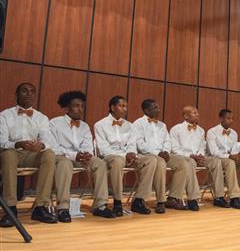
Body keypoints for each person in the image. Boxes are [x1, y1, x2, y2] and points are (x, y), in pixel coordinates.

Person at [50, 91, 115, 222]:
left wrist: (86, 155)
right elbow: (53, 148)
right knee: (65, 163)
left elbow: (87, 146)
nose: (80, 109)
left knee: (99, 163)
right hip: (62, 157)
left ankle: (100, 205)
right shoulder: (54, 123)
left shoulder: (84, 126)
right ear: (67, 108)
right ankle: (63, 207)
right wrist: (75, 155)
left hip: (80, 158)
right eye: (76, 106)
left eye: (82, 106)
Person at [0, 83, 57, 227]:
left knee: (49, 154)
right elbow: (2, 142)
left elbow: (47, 140)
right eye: (24, 91)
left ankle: (40, 207)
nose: (29, 94)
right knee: (8, 155)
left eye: (32, 91)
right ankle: (10, 208)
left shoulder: (41, 117)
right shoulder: (5, 115)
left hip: (32, 155)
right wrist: (17, 144)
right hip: (13, 153)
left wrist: (41, 145)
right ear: (17, 94)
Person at [95, 96, 157, 216]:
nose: (125, 109)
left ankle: (139, 200)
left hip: (127, 156)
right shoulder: (100, 125)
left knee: (151, 160)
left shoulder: (130, 126)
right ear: (113, 108)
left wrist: (131, 153)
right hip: (110, 156)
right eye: (121, 106)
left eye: (126, 106)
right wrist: (125, 155)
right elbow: (103, 149)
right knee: (117, 161)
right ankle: (117, 202)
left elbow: (132, 144)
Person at [131, 99, 196, 213]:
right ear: (146, 110)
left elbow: (167, 141)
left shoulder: (162, 125)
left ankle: (173, 198)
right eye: (155, 107)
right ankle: (161, 200)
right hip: (146, 155)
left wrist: (165, 151)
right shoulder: (138, 124)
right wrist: (157, 154)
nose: (159, 109)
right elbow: (139, 143)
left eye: (158, 107)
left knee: (183, 163)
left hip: (164, 154)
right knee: (159, 162)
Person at [170, 106, 234, 209]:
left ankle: (219, 197)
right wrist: (191, 156)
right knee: (190, 162)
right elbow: (174, 149)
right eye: (194, 113)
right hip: (185, 157)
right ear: (186, 116)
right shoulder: (176, 129)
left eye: (197, 113)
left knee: (216, 161)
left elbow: (201, 147)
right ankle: (193, 198)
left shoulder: (201, 130)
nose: (197, 115)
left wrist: (199, 155)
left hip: (198, 157)